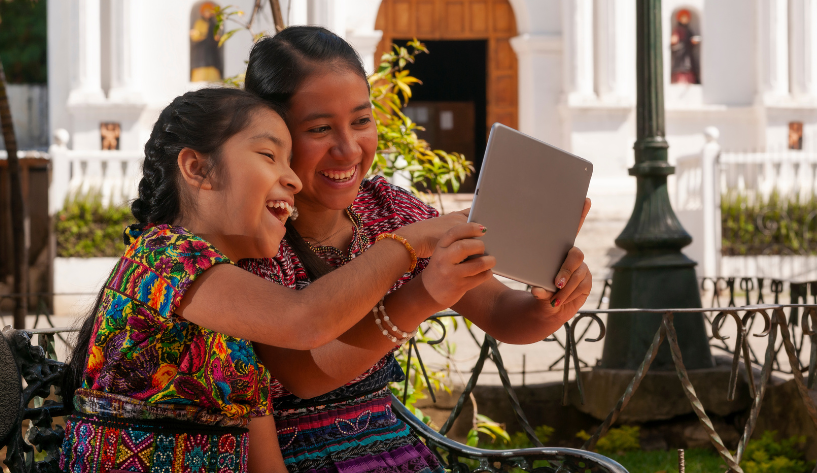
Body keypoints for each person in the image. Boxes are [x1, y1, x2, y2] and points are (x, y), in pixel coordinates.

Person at [58, 87, 494, 473]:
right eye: (269, 156)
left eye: (289, 160)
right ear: (197, 168)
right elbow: (306, 319)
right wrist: (405, 244)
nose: (292, 178)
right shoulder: (163, 257)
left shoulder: (240, 322)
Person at [241, 26, 592, 473]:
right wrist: (424, 292)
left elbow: (504, 312)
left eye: (362, 120)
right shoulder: (254, 233)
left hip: (394, 451)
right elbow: (305, 376)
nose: (348, 148)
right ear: (274, 133)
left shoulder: (388, 207)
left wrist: (553, 300)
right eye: (320, 128)